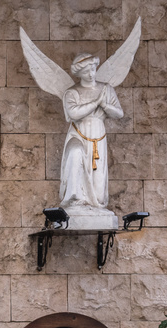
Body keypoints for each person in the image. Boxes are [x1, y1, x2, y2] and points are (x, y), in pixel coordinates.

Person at [59, 54, 123, 211]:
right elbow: (73, 114)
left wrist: (105, 106)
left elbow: (119, 113)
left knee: (98, 181)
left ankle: (95, 204)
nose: (91, 74)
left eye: (93, 70)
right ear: (79, 74)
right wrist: (96, 103)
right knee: (75, 153)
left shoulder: (106, 89)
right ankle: (74, 198)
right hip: (78, 133)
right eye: (86, 71)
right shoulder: (72, 93)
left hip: (98, 135)